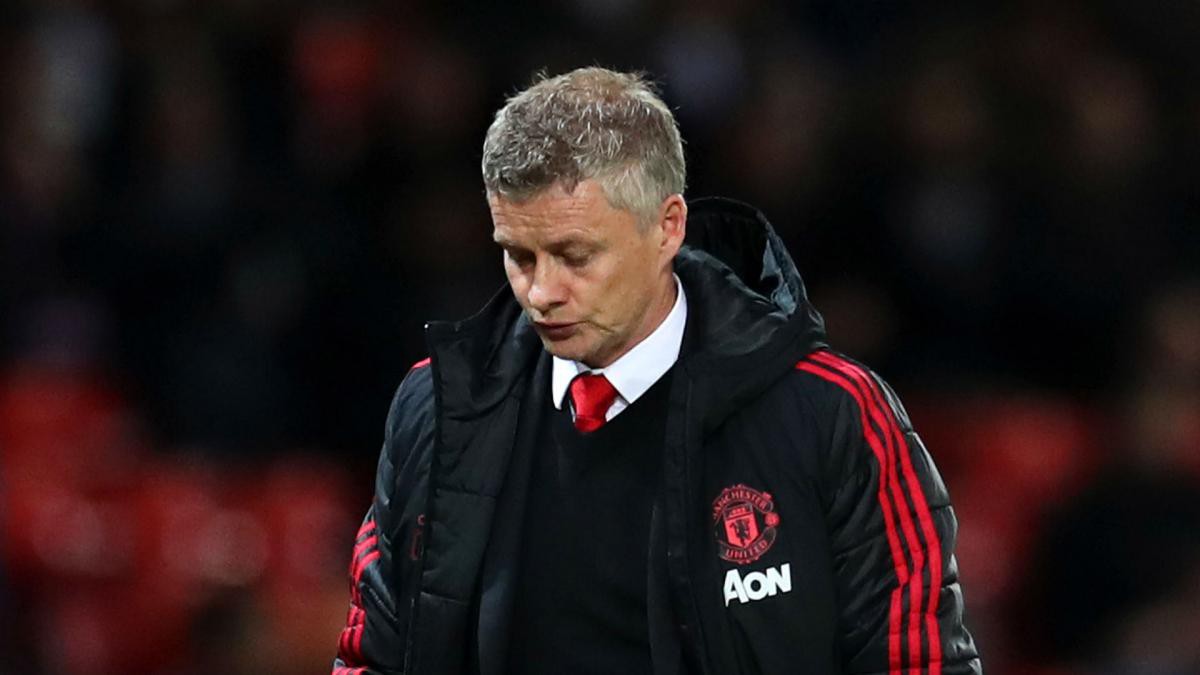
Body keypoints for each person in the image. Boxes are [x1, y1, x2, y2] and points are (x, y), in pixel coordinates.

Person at [331, 67, 982, 675]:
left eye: (575, 255)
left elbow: (920, 662)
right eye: (519, 256)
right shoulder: (438, 408)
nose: (541, 293)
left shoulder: (830, 412)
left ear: (668, 226)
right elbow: (373, 656)